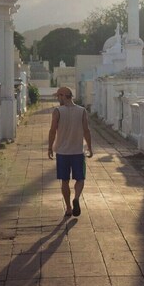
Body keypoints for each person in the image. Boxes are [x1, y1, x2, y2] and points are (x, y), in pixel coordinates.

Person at [47, 86, 92, 217]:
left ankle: (68, 208)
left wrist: (50, 147)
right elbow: (86, 131)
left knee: (65, 181)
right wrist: (89, 147)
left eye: (58, 96)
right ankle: (76, 198)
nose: (57, 99)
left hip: (62, 153)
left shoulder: (57, 111)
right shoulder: (82, 111)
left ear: (63, 96)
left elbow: (52, 131)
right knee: (80, 178)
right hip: (78, 151)